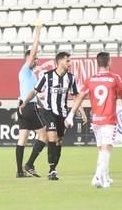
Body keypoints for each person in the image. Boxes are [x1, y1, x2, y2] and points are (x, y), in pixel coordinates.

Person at [66, 52, 122, 188]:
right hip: (109, 120)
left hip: (96, 120)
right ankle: (97, 176)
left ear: (98, 63)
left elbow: (80, 97)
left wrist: (71, 114)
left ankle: (105, 178)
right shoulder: (114, 78)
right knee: (107, 147)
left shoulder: (90, 79)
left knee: (102, 148)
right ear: (108, 62)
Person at [21, 51, 84, 180]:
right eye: (68, 61)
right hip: (49, 111)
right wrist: (25, 102)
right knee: (51, 136)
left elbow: (76, 96)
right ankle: (52, 170)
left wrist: (81, 112)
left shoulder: (71, 78)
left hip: (63, 113)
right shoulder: (47, 76)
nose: (69, 63)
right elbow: (35, 91)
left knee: (59, 141)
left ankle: (53, 167)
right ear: (60, 61)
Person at [15, 23, 47, 178]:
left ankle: (20, 171)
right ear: (29, 58)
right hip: (29, 108)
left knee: (22, 139)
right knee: (44, 136)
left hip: (22, 106)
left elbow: (31, 93)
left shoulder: (30, 75)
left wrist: (43, 105)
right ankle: (29, 164)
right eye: (35, 58)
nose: (37, 61)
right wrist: (38, 34)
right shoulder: (26, 69)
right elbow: (33, 51)